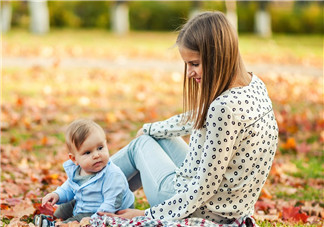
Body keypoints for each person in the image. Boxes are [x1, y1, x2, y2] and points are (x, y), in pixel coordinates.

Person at [98, 11, 279, 225]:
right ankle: (92, 197)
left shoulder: (223, 108)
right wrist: (150, 128)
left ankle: (78, 196)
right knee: (152, 136)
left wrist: (149, 215)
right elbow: (195, 118)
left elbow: (205, 185)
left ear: (218, 57)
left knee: (140, 145)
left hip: (201, 208)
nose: (189, 73)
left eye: (194, 64)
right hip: (227, 202)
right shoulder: (253, 84)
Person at [35, 119, 134, 225]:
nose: (96, 155)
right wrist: (57, 195)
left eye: (100, 148)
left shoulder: (112, 174)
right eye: (87, 152)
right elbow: (69, 187)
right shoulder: (78, 171)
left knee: (80, 218)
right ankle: (55, 218)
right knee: (64, 208)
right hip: (85, 202)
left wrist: (95, 219)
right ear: (74, 159)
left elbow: (113, 202)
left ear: (106, 145)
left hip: (106, 210)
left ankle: (60, 225)